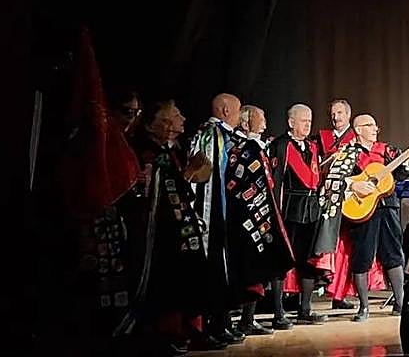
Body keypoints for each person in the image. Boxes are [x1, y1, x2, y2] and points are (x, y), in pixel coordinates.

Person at [117, 98, 213, 353]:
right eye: (177, 114)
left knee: (184, 278)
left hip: (178, 228)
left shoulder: (172, 151)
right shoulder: (145, 152)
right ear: (158, 124)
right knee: (164, 282)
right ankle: (162, 332)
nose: (183, 119)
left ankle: (186, 329)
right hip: (157, 233)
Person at [224, 107, 292, 337]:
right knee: (248, 269)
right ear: (246, 123)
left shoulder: (256, 147)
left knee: (259, 268)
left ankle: (248, 319)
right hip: (245, 218)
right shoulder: (242, 148)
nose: (264, 125)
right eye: (260, 121)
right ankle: (241, 320)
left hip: (261, 217)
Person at [188, 92, 243, 344]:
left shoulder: (224, 135)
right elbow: (203, 179)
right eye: (238, 110)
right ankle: (208, 326)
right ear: (224, 110)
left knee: (223, 268)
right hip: (209, 211)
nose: (241, 116)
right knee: (212, 268)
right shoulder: (211, 134)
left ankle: (221, 323)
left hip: (223, 211)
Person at [345, 114, 409, 321]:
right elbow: (333, 177)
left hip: (387, 206)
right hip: (363, 210)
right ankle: (364, 307)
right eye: (369, 125)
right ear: (358, 129)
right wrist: (354, 184)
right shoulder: (348, 154)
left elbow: (400, 175)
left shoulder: (387, 150)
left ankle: (401, 303)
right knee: (362, 256)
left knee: (393, 254)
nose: (375, 129)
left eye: (375, 125)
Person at [267, 103, 327, 325]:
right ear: (291, 123)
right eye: (303, 120)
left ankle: (305, 309)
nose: (308, 124)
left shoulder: (312, 147)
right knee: (282, 260)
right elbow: (279, 180)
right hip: (289, 209)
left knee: (309, 261)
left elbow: (314, 179)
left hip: (310, 209)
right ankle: (278, 313)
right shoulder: (281, 145)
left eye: (310, 120)